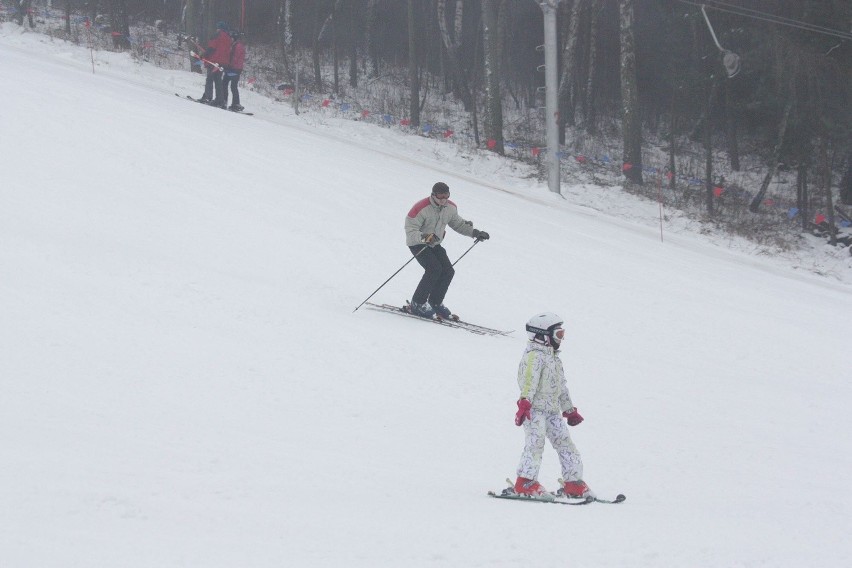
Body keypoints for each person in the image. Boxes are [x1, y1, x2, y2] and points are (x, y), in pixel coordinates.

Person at [512, 312, 593, 499]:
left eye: (562, 334)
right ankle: (525, 481)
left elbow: (561, 387)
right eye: (558, 335)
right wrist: (525, 403)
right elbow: (529, 381)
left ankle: (573, 481)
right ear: (541, 335)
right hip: (534, 411)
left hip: (552, 411)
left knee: (565, 443)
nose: (561, 339)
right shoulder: (534, 357)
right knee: (535, 443)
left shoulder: (555, 359)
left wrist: (569, 410)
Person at [404, 182, 489, 318]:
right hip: (418, 244)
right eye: (440, 196)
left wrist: (475, 232)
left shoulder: (450, 207)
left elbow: (458, 224)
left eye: (446, 196)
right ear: (433, 195)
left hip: (434, 244)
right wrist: (424, 237)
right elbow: (410, 229)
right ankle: (417, 303)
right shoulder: (421, 208)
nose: (443, 200)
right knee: (434, 269)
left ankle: (435, 302)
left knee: (448, 271)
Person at [199, 22, 232, 107]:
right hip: (223, 62)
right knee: (218, 80)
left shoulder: (217, 35)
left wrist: (204, 55)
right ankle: (219, 100)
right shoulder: (229, 38)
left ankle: (207, 97)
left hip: (214, 61)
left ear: (219, 28)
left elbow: (212, 47)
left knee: (209, 78)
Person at [222, 31, 246, 111]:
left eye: (231, 38)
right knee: (224, 83)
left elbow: (235, 57)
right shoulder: (234, 45)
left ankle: (236, 103)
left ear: (234, 38)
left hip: (235, 69)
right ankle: (224, 101)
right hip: (231, 68)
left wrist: (228, 65)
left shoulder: (238, 46)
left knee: (233, 86)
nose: (230, 39)